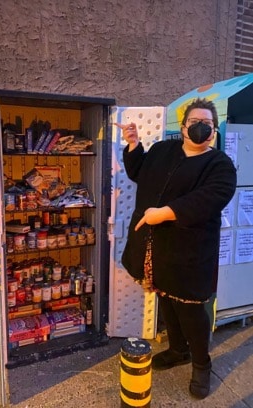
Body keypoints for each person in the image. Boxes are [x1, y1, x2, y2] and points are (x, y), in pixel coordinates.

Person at [115, 98, 237, 399]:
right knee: (165, 296)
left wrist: (165, 212)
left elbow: (210, 198)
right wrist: (133, 145)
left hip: (190, 252)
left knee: (191, 308)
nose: (200, 127)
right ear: (183, 126)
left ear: (213, 129)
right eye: (194, 121)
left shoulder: (219, 164)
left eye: (206, 123)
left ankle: (201, 364)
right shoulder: (162, 150)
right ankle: (178, 349)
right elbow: (139, 173)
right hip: (156, 247)